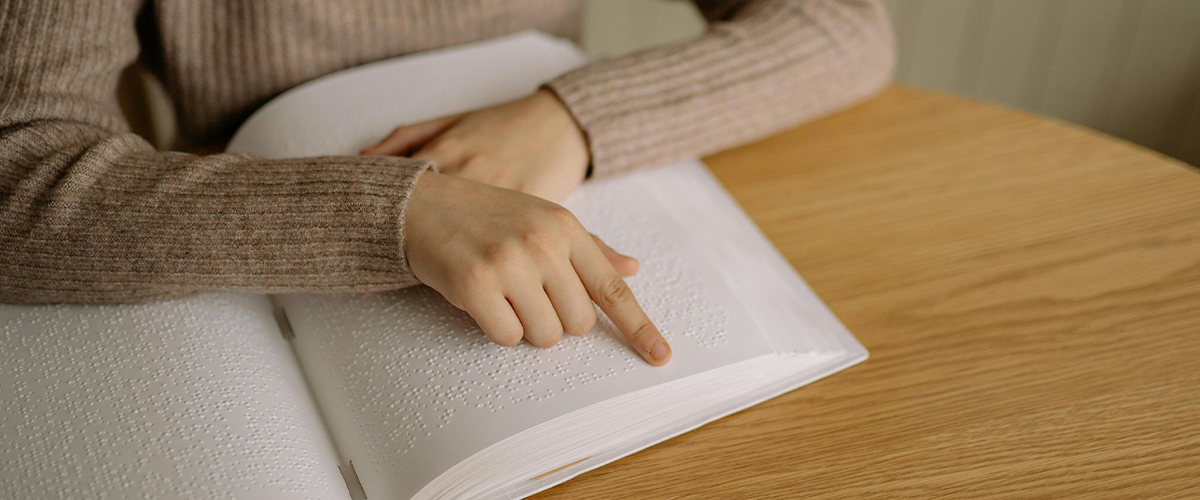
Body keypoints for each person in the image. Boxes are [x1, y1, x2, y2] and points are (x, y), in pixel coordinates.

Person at [0, 0, 894, 366]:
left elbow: (846, 25)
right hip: (247, 273)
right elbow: (17, 167)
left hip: (562, 175)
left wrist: (573, 119)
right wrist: (393, 210)